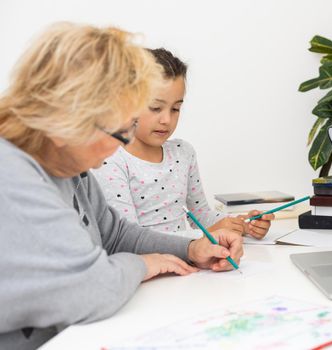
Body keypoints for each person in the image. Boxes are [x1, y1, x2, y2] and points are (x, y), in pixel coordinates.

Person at [0, 23, 243, 350]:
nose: (122, 145)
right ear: (66, 121)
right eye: (118, 132)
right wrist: (143, 264)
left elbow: (114, 235)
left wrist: (189, 249)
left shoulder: (68, 166)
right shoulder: (11, 176)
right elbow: (93, 290)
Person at [92, 48, 274, 239]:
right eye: (155, 108)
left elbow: (202, 216)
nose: (166, 120)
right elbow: (128, 239)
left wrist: (240, 225)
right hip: (153, 263)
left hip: (192, 260)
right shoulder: (111, 160)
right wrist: (204, 238)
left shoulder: (182, 153)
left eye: (176, 109)